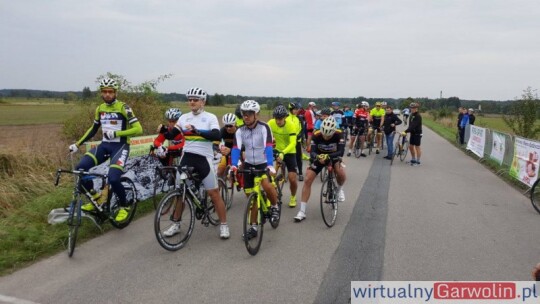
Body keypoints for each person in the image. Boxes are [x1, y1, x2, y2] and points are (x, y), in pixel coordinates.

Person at [68, 78, 143, 222]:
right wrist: (77, 144)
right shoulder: (100, 108)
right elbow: (93, 129)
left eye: (110, 92)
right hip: (105, 145)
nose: (107, 94)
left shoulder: (123, 107)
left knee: (113, 178)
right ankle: (95, 198)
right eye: (105, 92)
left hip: (120, 146)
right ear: (101, 93)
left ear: (115, 93)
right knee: (80, 168)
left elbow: (138, 129)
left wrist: (116, 134)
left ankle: (124, 206)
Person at [162, 87, 230, 239]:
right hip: (187, 157)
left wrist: (197, 131)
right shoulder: (184, 117)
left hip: (203, 158)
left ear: (202, 102)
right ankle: (176, 224)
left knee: (213, 193)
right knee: (180, 193)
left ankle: (224, 225)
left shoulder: (210, 117)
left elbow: (216, 134)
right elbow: (172, 134)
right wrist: (163, 131)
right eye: (190, 100)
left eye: (195, 100)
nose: (192, 102)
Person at [230, 100, 280, 240]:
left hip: (263, 163)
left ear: (256, 114)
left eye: (249, 114)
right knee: (252, 200)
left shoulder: (264, 127)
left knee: (266, 185)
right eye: (244, 114)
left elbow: (268, 146)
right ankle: (253, 227)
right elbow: (236, 148)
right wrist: (234, 164)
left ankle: (274, 206)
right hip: (248, 164)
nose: (246, 117)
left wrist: (270, 164)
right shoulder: (240, 130)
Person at [294, 117, 346, 222]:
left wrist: (329, 157)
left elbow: (341, 152)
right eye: (324, 135)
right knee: (308, 179)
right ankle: (302, 211)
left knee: (340, 173)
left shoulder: (339, 133)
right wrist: (318, 157)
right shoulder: (316, 134)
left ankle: (339, 190)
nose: (326, 137)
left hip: (333, 156)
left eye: (329, 135)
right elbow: (312, 152)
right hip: (319, 157)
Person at [268, 105, 298, 207]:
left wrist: (283, 152)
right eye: (276, 118)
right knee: (269, 174)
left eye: (280, 118)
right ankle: (273, 191)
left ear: (285, 117)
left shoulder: (291, 125)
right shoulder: (271, 123)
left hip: (289, 151)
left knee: (292, 178)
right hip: (277, 149)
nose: (278, 121)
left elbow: (293, 143)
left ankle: (293, 196)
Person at [287, 102, 305, 181]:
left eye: (297, 109)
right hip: (288, 141)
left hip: (297, 140)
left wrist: (300, 135)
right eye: (295, 109)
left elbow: (302, 129)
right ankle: (288, 173)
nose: (296, 111)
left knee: (298, 157)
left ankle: (300, 173)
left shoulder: (299, 118)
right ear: (290, 109)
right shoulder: (286, 117)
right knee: (288, 158)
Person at [216, 113, 237, 178]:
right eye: (226, 126)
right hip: (225, 152)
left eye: (230, 126)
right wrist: (218, 149)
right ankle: (220, 184)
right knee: (219, 171)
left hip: (237, 151)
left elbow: (244, 146)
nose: (228, 128)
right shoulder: (222, 131)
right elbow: (216, 143)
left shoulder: (239, 131)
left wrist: (231, 150)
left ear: (235, 124)